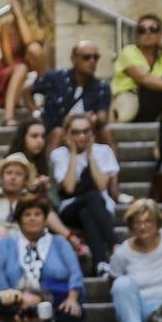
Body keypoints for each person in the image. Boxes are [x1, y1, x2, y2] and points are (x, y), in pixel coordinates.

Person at [0, 195, 85, 322]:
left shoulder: (59, 242)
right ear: (19, 219)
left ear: (45, 219)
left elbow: (75, 272)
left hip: (56, 301)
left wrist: (72, 298)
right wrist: (9, 296)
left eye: (37, 214)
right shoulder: (5, 243)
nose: (32, 218)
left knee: (70, 311)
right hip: (15, 302)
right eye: (27, 215)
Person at [50, 112, 119, 273]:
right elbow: (69, 188)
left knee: (87, 212)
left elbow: (102, 185)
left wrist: (90, 155)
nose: (81, 136)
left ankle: (100, 263)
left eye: (86, 131)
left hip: (99, 208)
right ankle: (114, 245)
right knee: (91, 197)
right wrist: (73, 153)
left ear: (92, 132)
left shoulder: (103, 151)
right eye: (75, 132)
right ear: (67, 134)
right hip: (69, 207)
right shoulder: (59, 154)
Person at [108, 198, 162, 322]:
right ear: (131, 226)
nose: (143, 226)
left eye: (148, 221)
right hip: (141, 311)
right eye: (137, 222)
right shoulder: (122, 253)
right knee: (121, 284)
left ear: (157, 222)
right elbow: (113, 283)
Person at [0, 153, 74, 251]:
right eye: (8, 173)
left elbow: (43, 217)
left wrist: (43, 192)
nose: (13, 177)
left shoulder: (30, 199)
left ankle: (71, 238)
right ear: (2, 176)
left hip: (26, 244)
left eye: (19, 174)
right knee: (1, 232)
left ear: (25, 180)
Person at [31, 42, 112, 144]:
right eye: (86, 57)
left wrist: (94, 119)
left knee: (106, 131)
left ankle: (113, 160)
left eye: (96, 57)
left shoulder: (102, 86)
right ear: (74, 59)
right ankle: (49, 160)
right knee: (58, 132)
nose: (92, 61)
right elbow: (28, 90)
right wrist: (36, 112)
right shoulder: (56, 78)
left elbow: (102, 117)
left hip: (86, 134)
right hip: (58, 131)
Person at [111, 14, 162, 122]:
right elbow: (144, 79)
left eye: (153, 29)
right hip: (133, 102)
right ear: (137, 35)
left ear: (161, 34)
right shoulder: (129, 51)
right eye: (142, 30)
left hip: (156, 104)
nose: (147, 33)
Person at [6, 117, 53, 200]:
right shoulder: (6, 163)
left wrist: (45, 190)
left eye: (42, 136)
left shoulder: (48, 165)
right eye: (34, 136)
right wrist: (27, 189)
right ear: (23, 138)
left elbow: (55, 202)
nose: (40, 141)